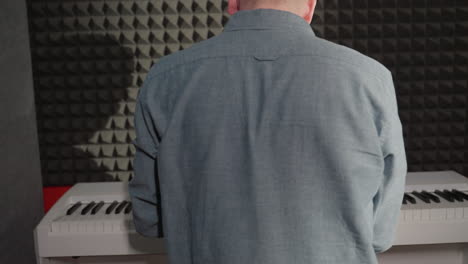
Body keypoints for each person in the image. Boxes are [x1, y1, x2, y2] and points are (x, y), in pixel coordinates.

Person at [128, 0, 408, 263]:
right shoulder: (370, 77)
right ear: (311, 7)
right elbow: (380, 232)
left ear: (232, 5)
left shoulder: (165, 77)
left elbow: (149, 220)